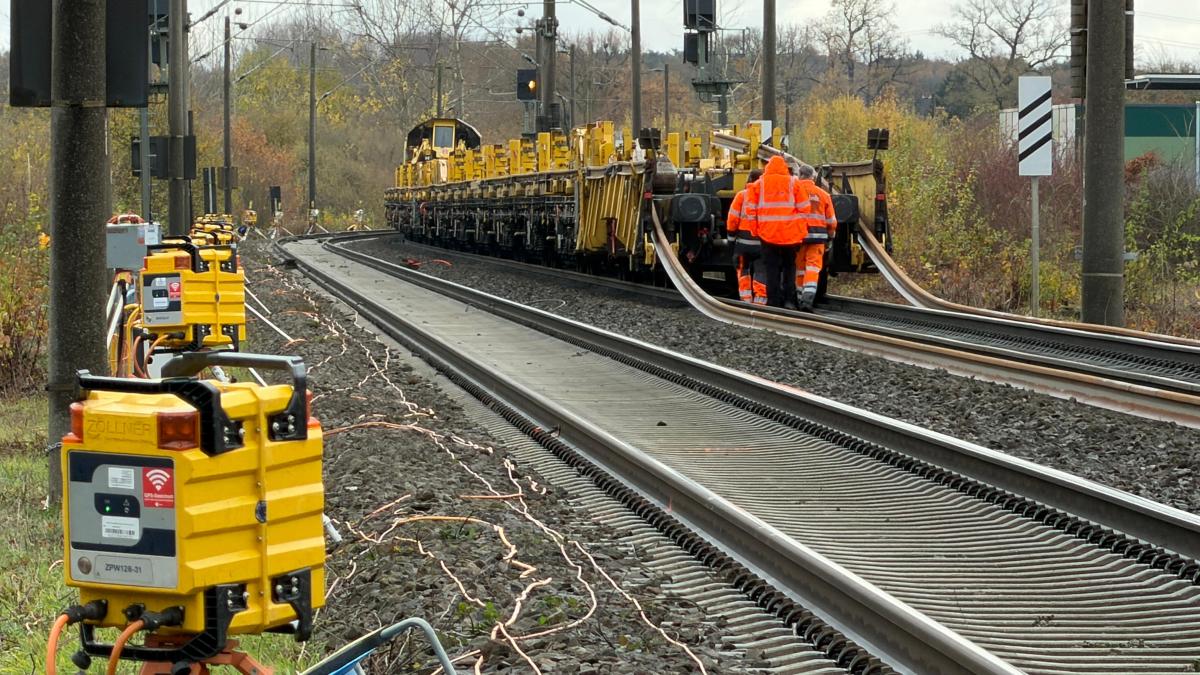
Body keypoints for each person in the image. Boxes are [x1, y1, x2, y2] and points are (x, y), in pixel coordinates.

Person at [742, 155, 813, 308]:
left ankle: (773, 301)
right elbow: (805, 208)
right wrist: (799, 231)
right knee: (789, 267)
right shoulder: (793, 182)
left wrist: (756, 231)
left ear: (767, 168)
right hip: (790, 235)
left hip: (767, 235)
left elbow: (750, 210)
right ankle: (789, 300)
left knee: (771, 268)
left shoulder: (759, 184)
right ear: (784, 168)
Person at [791, 163, 837, 311]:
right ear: (813, 177)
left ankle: (799, 299)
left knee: (800, 268)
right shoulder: (823, 194)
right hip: (818, 238)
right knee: (812, 268)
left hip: (798, 238)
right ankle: (807, 300)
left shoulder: (793, 192)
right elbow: (831, 221)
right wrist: (830, 236)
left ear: (800, 175)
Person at [727, 168, 766, 304]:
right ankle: (760, 301)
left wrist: (731, 241)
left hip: (743, 244)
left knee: (743, 270)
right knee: (761, 271)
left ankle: (746, 300)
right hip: (762, 244)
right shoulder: (766, 197)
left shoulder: (741, 196)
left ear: (749, 179)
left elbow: (732, 220)